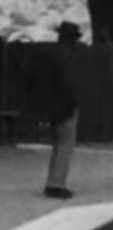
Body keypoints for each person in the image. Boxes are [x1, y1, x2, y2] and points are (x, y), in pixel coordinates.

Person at [29, 21, 81, 199]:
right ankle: (56, 184)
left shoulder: (48, 54)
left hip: (50, 105)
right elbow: (69, 84)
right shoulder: (67, 56)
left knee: (58, 144)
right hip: (64, 105)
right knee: (65, 145)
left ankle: (53, 182)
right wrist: (74, 102)